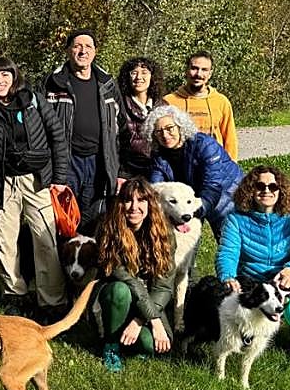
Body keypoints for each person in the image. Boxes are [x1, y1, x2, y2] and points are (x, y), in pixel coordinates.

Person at [0, 55, 70, 319]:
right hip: (3, 182)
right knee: (4, 241)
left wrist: (59, 178)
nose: (0, 80)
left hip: (37, 180)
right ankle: (15, 294)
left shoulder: (34, 101)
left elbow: (58, 138)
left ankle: (51, 300)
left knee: (46, 240)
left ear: (14, 76)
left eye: (5, 74)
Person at [216, 165, 290, 351]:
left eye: (273, 186)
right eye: (260, 186)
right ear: (250, 190)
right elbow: (228, 253)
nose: (266, 190)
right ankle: (242, 338)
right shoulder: (236, 219)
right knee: (229, 292)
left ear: (281, 191)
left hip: (282, 278)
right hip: (252, 279)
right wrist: (228, 276)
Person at [93, 177, 176, 372]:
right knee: (121, 289)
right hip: (113, 300)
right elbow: (129, 282)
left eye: (141, 200)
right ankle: (111, 345)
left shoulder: (165, 235)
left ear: (150, 204)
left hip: (146, 305)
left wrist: (139, 321)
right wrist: (154, 320)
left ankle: (129, 337)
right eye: (128, 200)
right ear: (120, 204)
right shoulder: (108, 230)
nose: (134, 207)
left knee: (150, 346)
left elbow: (164, 287)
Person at [39, 29, 121, 208]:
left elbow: (120, 126)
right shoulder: (54, 83)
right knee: (65, 216)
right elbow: (40, 127)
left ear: (95, 52)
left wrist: (120, 169)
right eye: (77, 46)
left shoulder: (107, 85)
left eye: (88, 47)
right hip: (66, 161)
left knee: (94, 215)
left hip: (99, 160)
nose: (83, 51)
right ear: (68, 51)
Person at [145, 105, 243, 240]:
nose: (165, 135)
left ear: (180, 126)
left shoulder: (205, 145)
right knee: (188, 241)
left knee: (230, 240)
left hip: (226, 194)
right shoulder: (158, 155)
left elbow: (213, 185)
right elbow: (156, 185)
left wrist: (191, 211)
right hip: (190, 199)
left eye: (169, 128)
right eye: (158, 131)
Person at [163, 50, 238, 159]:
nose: (198, 74)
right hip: (179, 165)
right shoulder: (169, 102)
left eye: (204, 70)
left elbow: (230, 139)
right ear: (186, 70)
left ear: (210, 73)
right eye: (194, 68)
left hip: (214, 165)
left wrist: (232, 167)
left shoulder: (221, 102)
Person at [115, 56, 166, 181]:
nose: (139, 77)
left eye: (144, 73)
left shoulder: (162, 106)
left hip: (156, 170)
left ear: (152, 77)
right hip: (126, 171)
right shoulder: (118, 105)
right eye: (134, 73)